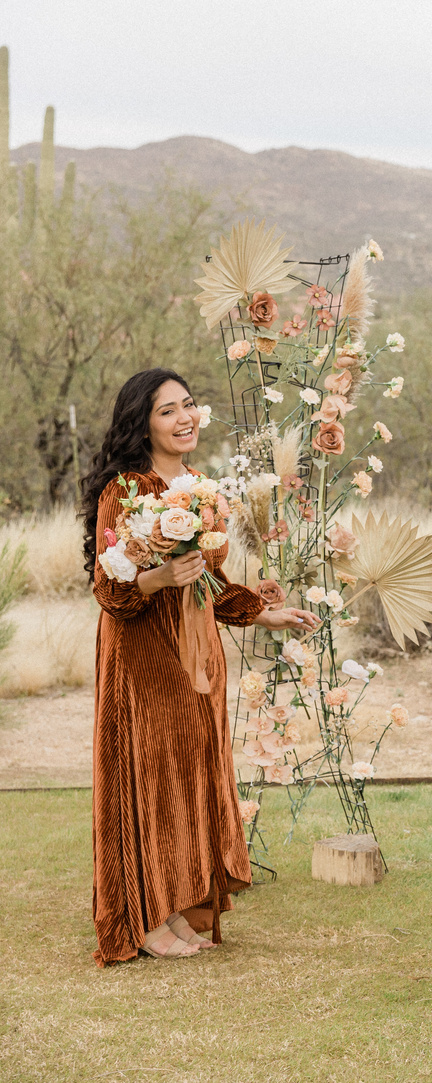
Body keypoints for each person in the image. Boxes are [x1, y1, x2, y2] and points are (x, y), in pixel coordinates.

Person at [86, 369, 319, 965]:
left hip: (201, 662)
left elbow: (208, 586)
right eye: (168, 410)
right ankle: (146, 919)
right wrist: (156, 577)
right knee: (154, 780)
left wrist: (264, 615)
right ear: (143, 423)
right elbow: (108, 590)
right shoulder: (126, 490)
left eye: (189, 405)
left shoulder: (202, 490)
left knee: (193, 780)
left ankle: (184, 906)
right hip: (144, 658)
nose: (184, 417)